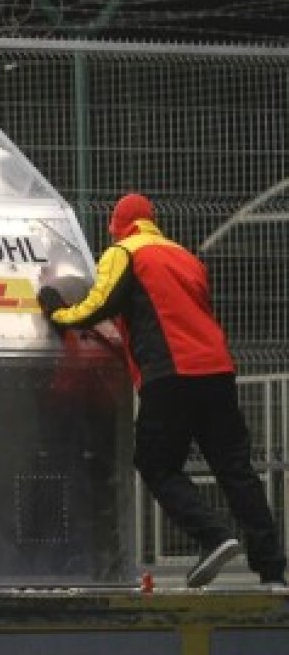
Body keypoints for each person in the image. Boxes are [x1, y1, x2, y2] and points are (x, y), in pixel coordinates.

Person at [41, 193, 286, 588]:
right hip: (218, 371)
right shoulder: (184, 256)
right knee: (235, 469)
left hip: (171, 373)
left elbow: (98, 306)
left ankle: (213, 536)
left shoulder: (124, 251)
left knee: (157, 464)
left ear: (117, 225)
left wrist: (57, 311)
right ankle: (272, 568)